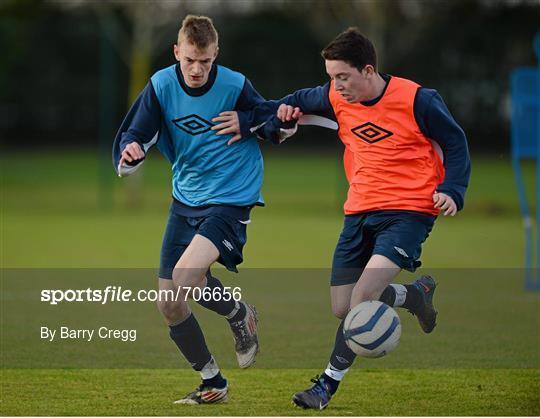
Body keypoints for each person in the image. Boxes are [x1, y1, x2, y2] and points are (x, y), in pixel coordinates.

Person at [226, 27, 471, 410]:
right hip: (359, 210)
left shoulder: (418, 100)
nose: (336, 86)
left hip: (409, 211)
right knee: (343, 307)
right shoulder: (332, 96)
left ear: (368, 70)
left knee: (361, 298)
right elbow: (282, 107)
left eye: (343, 76)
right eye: (331, 77)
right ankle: (414, 294)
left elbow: (455, 142)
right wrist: (260, 121)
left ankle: (325, 386)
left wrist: (453, 189)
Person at [112, 15, 269, 405]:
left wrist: (248, 120)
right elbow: (135, 131)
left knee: (185, 276)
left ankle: (236, 314)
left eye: (205, 61)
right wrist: (131, 150)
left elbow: (273, 120)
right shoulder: (161, 85)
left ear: (215, 53)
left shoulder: (235, 85)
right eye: (190, 61)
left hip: (232, 195)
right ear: (176, 52)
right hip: (185, 198)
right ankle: (213, 380)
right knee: (169, 302)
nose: (197, 70)